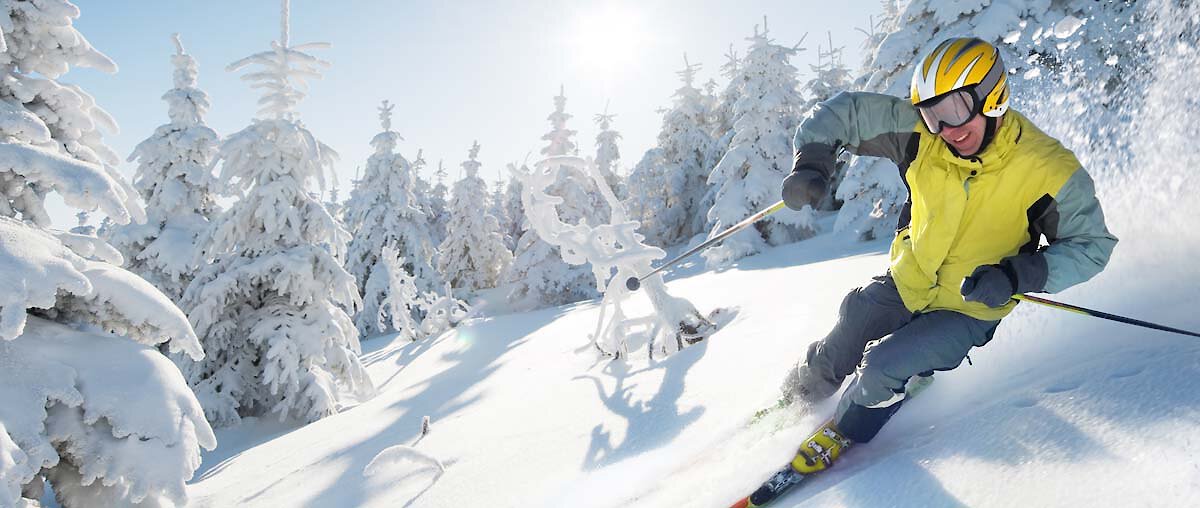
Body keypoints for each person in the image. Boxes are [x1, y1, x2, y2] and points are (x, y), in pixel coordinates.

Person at [776, 37, 1118, 474]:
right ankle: (801, 394)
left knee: (882, 367)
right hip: (908, 281)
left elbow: (1092, 247)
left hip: (968, 307)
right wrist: (812, 161)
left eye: (955, 109)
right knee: (852, 322)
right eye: (932, 115)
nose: (947, 129)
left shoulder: (1048, 168)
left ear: (992, 94)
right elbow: (846, 112)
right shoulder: (924, 136)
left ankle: (848, 429)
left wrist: (1018, 275)